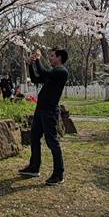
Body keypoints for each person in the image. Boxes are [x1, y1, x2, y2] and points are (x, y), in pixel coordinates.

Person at [19, 48, 69, 186]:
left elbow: (43, 71)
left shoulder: (61, 72)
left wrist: (38, 59)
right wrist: (30, 64)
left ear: (59, 58)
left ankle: (58, 174)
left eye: (52, 56)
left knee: (52, 141)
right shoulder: (52, 73)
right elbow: (36, 78)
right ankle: (34, 167)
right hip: (40, 110)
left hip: (50, 111)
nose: (50, 58)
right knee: (34, 137)